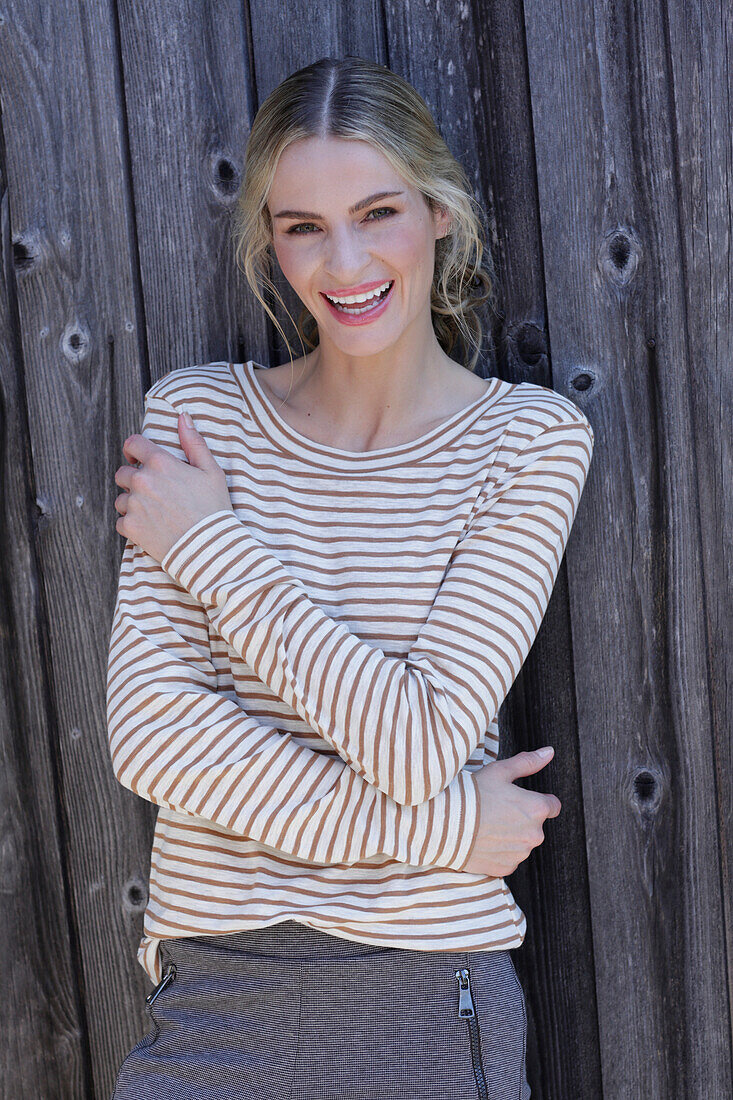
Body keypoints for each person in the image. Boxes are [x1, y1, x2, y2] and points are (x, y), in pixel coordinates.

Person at [106, 55, 594, 1100]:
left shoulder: (524, 442)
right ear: (269, 244)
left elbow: (418, 739)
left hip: (422, 994)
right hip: (212, 991)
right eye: (303, 226)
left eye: (378, 212)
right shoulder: (201, 420)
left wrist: (208, 546)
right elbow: (151, 733)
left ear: (440, 213)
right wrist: (441, 826)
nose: (346, 261)